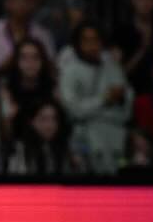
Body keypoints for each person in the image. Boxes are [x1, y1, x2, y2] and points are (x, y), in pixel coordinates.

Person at [56, 22, 130, 170]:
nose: (92, 45)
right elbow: (73, 110)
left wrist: (92, 109)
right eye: (86, 40)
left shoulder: (114, 68)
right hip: (84, 138)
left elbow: (126, 111)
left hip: (115, 139)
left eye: (96, 39)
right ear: (77, 44)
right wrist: (105, 99)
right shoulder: (69, 72)